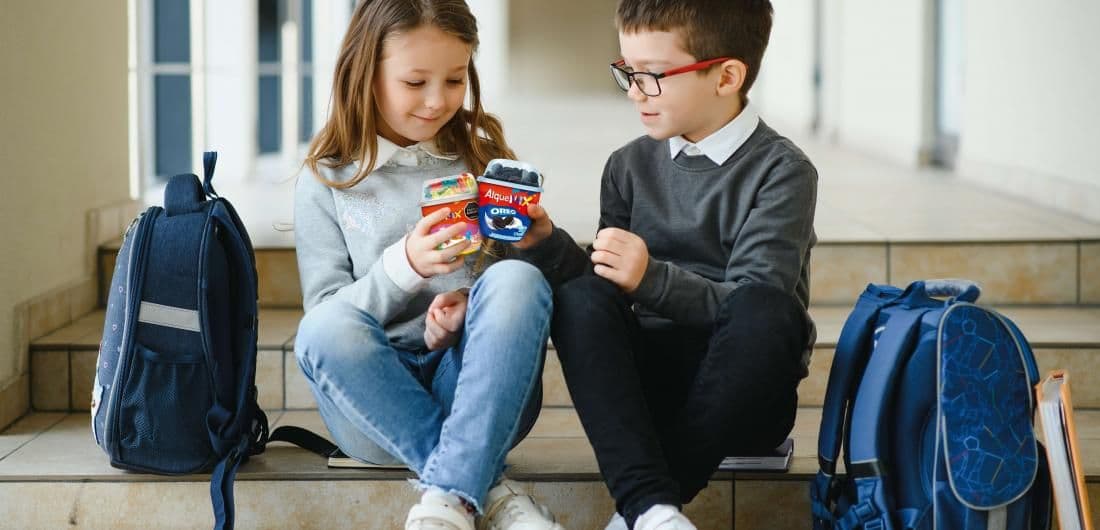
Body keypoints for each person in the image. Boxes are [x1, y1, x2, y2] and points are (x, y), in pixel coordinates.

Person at [516, 1, 818, 528]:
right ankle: (653, 512)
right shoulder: (628, 166)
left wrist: (651, 278)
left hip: (744, 401)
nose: (634, 91)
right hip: (647, 397)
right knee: (581, 298)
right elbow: (605, 295)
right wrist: (544, 242)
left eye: (652, 76)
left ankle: (645, 502)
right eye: (628, 72)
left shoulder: (783, 172)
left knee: (769, 311)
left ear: (726, 76)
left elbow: (754, 306)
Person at [292, 1, 563, 529]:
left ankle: (451, 494)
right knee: (322, 328)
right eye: (415, 82)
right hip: (372, 404)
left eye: (455, 80)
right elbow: (326, 324)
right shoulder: (326, 179)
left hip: (475, 392)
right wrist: (404, 267)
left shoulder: (483, 160)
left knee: (515, 280)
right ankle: (481, 487)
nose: (438, 101)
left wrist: (512, 268)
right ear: (364, 74)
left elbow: (513, 309)